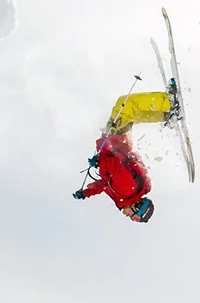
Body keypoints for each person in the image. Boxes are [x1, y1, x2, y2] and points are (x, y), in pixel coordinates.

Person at [72, 89, 178, 222]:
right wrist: (100, 162)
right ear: (137, 207)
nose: (128, 217)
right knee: (126, 103)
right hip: (116, 141)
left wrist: (86, 193)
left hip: (115, 142)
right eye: (133, 217)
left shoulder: (123, 197)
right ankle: (169, 103)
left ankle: (166, 116)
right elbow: (115, 166)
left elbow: (105, 185)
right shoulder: (127, 189)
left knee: (130, 114)